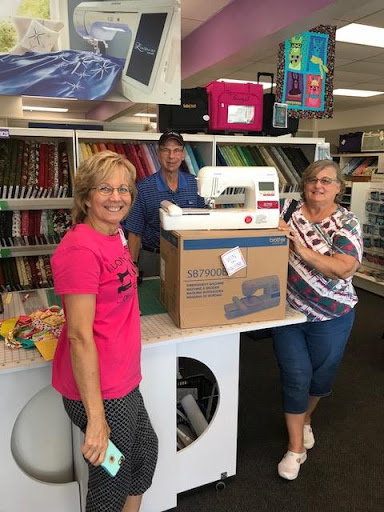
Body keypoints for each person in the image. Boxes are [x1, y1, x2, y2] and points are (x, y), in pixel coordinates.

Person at [51, 151, 158, 512]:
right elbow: (80, 337)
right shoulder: (80, 249)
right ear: (86, 197)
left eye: (124, 188)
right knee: (110, 481)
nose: (117, 197)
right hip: (101, 392)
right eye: (105, 189)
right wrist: (97, 420)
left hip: (122, 379)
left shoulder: (116, 234)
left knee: (143, 455)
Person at [273, 159, 362, 481]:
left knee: (320, 378)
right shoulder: (287, 211)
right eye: (312, 179)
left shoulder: (346, 223)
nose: (318, 185)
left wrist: (297, 247)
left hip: (332, 315)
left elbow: (343, 268)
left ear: (339, 187)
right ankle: (295, 448)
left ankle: (306, 418)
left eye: (326, 180)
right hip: (288, 312)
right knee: (296, 375)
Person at [123, 130, 205, 277]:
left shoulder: (195, 185)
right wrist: (132, 265)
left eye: (176, 150)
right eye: (166, 150)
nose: (171, 156)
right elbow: (135, 232)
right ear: (158, 154)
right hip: (152, 258)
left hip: (186, 256)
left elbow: (203, 226)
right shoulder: (143, 188)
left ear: (183, 154)